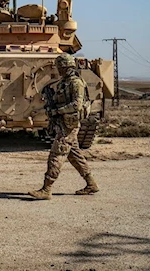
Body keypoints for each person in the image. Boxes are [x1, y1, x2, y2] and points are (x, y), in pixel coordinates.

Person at [28, 53, 98, 200]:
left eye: (60, 67)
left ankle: (46, 189)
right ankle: (91, 184)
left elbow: (76, 105)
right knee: (74, 155)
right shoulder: (64, 82)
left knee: (57, 153)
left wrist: (57, 111)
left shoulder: (75, 83)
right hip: (63, 122)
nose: (58, 70)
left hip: (69, 124)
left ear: (65, 67)